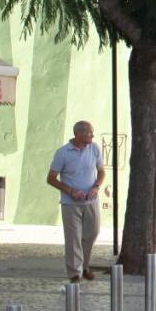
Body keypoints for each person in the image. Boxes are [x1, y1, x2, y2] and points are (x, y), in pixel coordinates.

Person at [47, 121, 105, 282]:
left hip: (91, 200)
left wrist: (97, 187)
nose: (92, 136)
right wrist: (70, 191)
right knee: (73, 238)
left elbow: (101, 171)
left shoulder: (94, 149)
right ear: (79, 134)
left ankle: (85, 266)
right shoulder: (63, 153)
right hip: (70, 203)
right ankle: (74, 273)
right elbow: (51, 179)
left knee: (92, 233)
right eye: (89, 133)